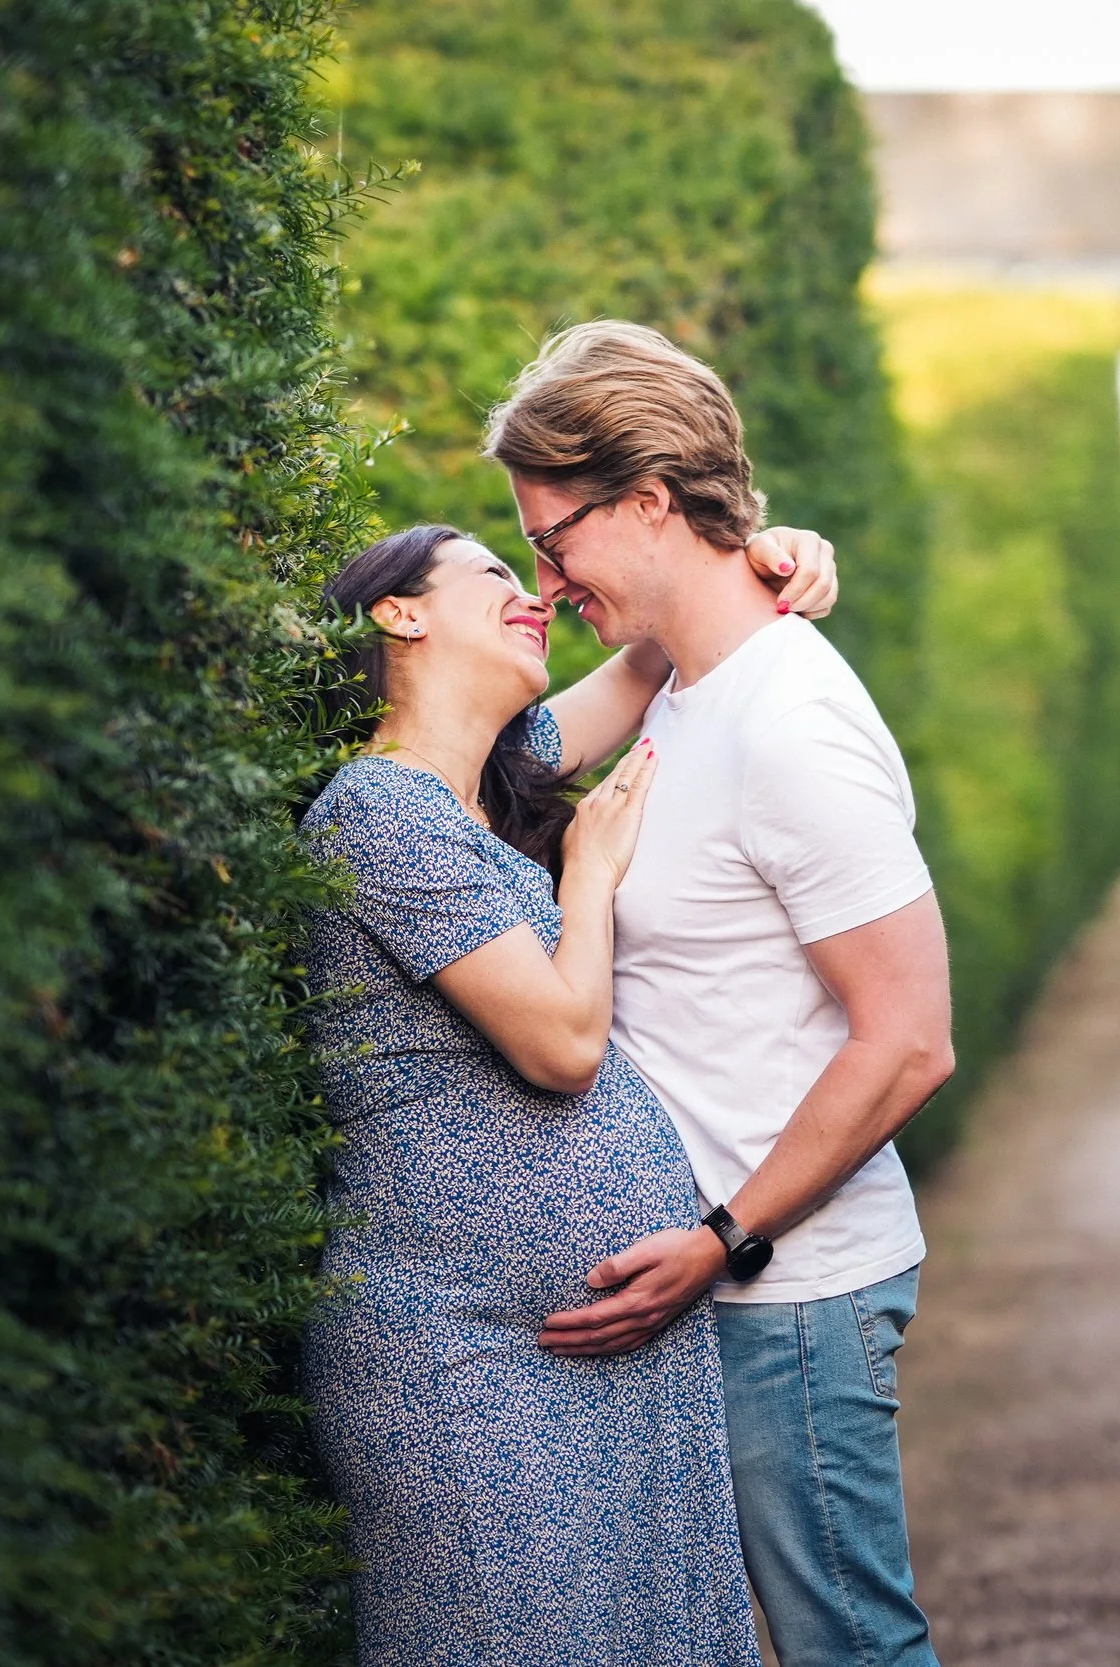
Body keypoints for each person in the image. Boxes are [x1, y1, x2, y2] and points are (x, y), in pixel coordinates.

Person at [486, 320, 956, 1667]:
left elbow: (911, 1039)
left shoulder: (790, 724)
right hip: (721, 1290)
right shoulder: (689, 686)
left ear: (644, 500)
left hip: (785, 1290)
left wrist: (723, 1236)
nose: (545, 573)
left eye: (555, 536)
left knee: (848, 1646)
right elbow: (494, 766)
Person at [298, 517, 836, 1665]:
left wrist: (767, 548)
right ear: (401, 612)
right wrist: (586, 874)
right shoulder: (378, 811)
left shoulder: (494, 776)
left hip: (600, 1350)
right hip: (465, 1357)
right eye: (494, 573)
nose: (531, 590)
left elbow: (652, 647)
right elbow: (560, 1044)